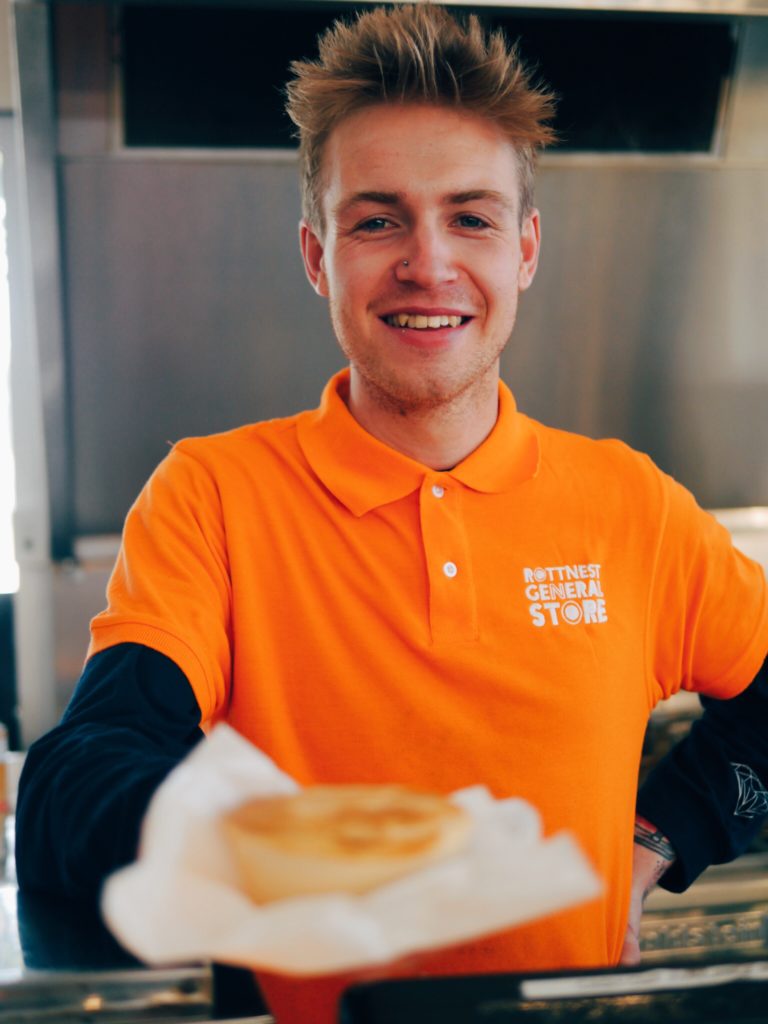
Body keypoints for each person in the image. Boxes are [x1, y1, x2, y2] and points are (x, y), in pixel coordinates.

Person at [16, 0, 768, 982]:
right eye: (378, 220)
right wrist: (272, 842)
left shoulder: (632, 505)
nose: (429, 263)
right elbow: (84, 767)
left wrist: (659, 842)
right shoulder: (214, 495)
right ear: (318, 256)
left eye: (471, 217)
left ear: (526, 250)